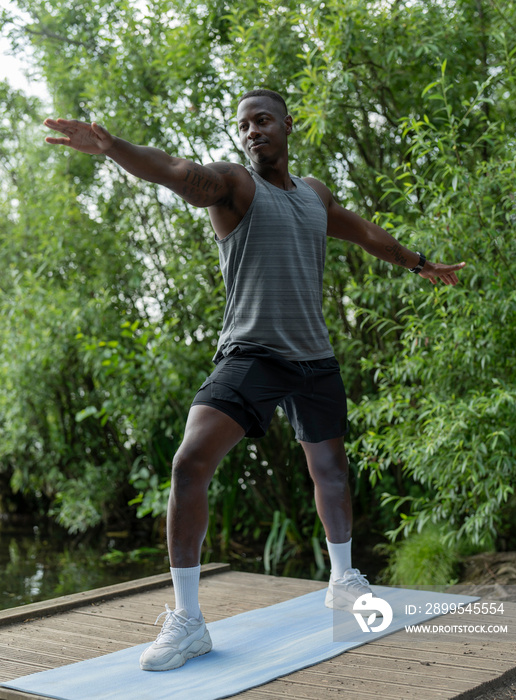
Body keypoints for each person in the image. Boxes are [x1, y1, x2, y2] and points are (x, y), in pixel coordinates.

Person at [44, 88, 465, 672]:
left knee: (331, 471)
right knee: (189, 463)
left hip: (314, 357)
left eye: (263, 121)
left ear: (288, 125)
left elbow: (365, 231)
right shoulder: (236, 187)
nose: (252, 132)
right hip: (253, 354)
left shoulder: (314, 195)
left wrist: (418, 262)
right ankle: (189, 621)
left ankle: (343, 582)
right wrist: (114, 148)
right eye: (244, 126)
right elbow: (179, 173)